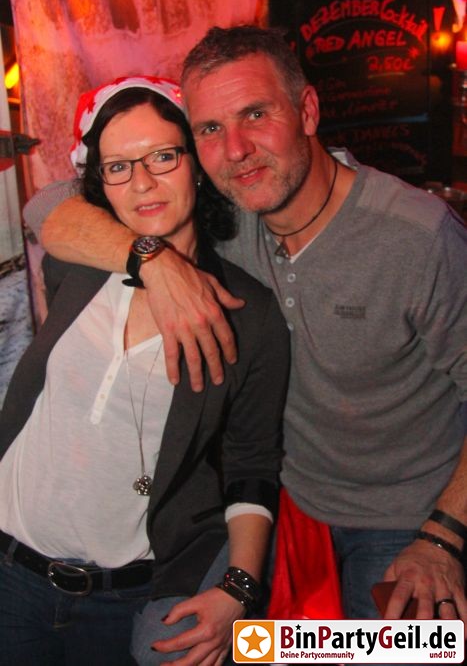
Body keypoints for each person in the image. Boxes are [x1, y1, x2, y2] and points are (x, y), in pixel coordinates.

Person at [24, 26, 467, 628]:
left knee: (403, 649)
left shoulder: (418, 236)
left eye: (255, 114)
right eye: (209, 129)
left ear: (307, 111)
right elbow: (47, 204)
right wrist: (152, 260)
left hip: (408, 517)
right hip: (284, 500)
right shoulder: (229, 211)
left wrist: (443, 537)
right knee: (211, 644)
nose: (235, 150)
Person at [1, 74, 290, 666]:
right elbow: (44, 207)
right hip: (9, 576)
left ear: (196, 162)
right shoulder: (77, 264)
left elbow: (252, 463)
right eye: (118, 166)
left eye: (162, 156)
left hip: (125, 597)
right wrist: (154, 262)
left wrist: (239, 587)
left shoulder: (248, 313)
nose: (142, 182)